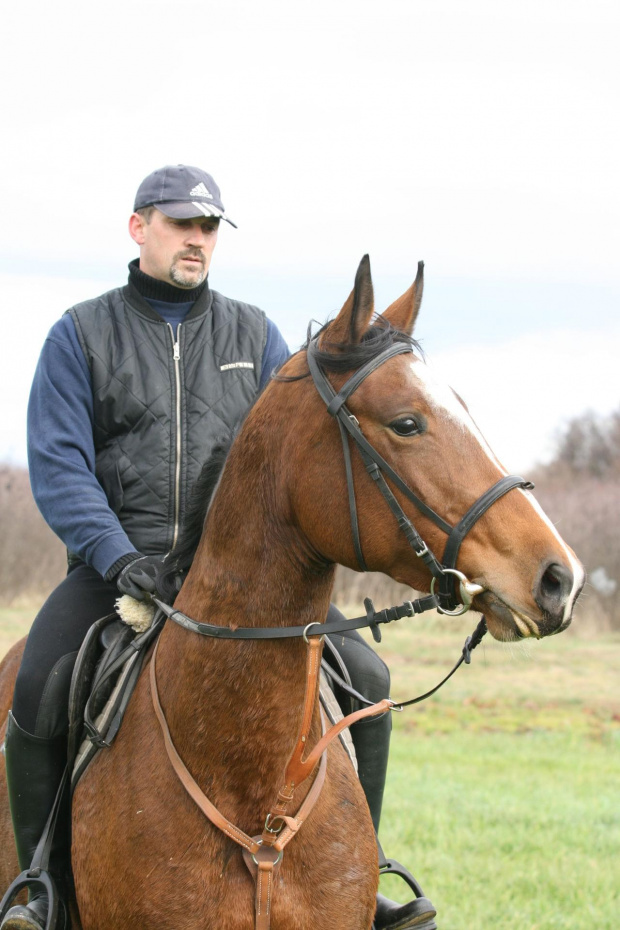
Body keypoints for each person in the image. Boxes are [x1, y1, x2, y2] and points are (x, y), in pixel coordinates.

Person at [1, 165, 434, 930]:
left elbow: (292, 456)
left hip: (238, 585)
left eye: (208, 228)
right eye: (181, 224)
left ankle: (359, 879)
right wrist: (115, 553)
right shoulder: (78, 334)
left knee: (368, 679)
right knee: (37, 684)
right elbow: (60, 466)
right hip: (117, 573)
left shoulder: (255, 334)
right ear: (140, 228)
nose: (196, 239)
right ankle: (38, 882)